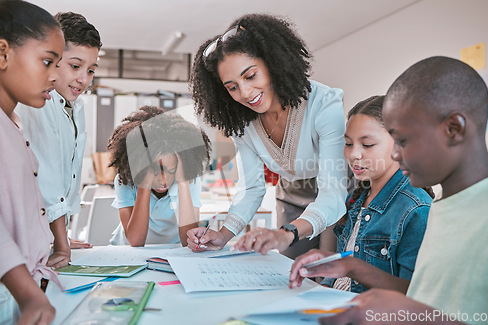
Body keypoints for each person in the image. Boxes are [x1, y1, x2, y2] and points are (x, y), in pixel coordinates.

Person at [321, 57, 488, 325]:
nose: (394, 153)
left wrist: (410, 312)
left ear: (454, 129)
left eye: (402, 141)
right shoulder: (441, 208)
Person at [187, 13, 348, 259]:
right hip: (291, 194)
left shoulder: (324, 104)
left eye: (250, 76)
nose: (245, 93)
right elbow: (251, 188)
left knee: (327, 276)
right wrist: (223, 234)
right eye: (232, 87)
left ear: (273, 64)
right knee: (291, 272)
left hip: (339, 194)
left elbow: (333, 194)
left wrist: (288, 233)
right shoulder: (243, 123)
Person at [289, 95, 433, 293]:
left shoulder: (416, 209)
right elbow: (341, 280)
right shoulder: (356, 199)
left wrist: (352, 267)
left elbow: (414, 295)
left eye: (367, 145)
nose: (354, 154)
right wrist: (319, 289)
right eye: (348, 143)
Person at [16, 12, 102, 270]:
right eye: (75, 66)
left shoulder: (76, 106)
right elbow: (49, 179)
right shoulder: (41, 102)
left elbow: (69, 173)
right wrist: (62, 245)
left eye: (90, 70)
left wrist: (59, 238)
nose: (83, 79)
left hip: (50, 233)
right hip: (29, 235)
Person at [0, 0, 65, 323]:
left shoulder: (11, 124)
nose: (56, 76)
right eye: (47, 61)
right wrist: (27, 293)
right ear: (3, 53)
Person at [107, 106, 211, 247]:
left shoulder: (190, 180)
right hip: (127, 252)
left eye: (172, 170)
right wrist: (145, 183)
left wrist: (183, 183)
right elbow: (135, 241)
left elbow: (188, 241)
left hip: (170, 251)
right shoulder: (126, 181)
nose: (163, 181)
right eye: (155, 171)